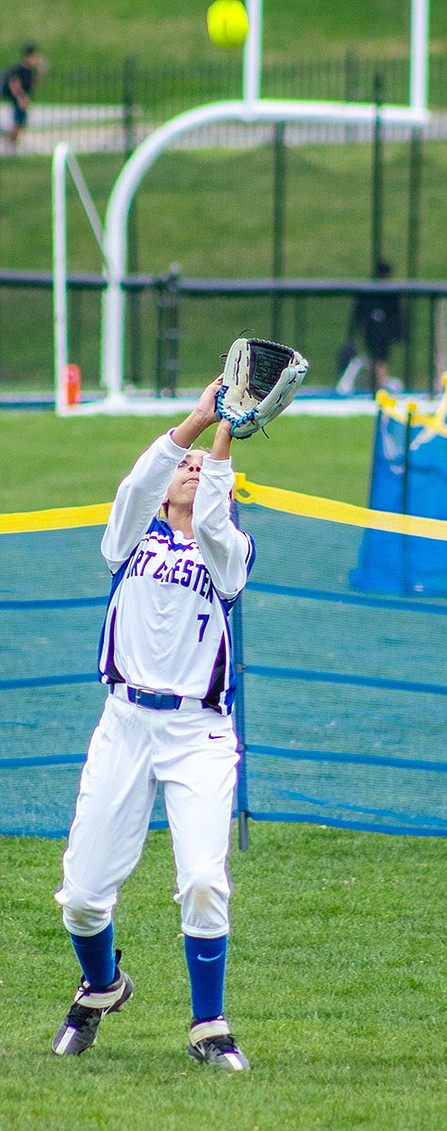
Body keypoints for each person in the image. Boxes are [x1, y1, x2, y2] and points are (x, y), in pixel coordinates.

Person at [52, 374, 254, 1071]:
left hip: (198, 734)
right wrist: (199, 420)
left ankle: (209, 1025)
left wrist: (229, 432)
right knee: (80, 896)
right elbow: (139, 482)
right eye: (185, 468)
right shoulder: (128, 541)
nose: (192, 472)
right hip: (126, 723)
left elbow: (220, 518)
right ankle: (102, 984)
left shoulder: (226, 554)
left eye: (204, 471)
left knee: (203, 879)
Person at [336, 259, 403, 395]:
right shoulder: (368, 292)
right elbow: (359, 313)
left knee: (379, 359)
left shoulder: (390, 294)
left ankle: (378, 386)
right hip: (372, 332)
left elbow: (396, 314)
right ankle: (375, 386)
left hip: (383, 332)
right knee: (376, 359)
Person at [2, 43, 42, 145]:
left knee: (20, 117)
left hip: (16, 96)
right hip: (10, 93)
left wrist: (41, 73)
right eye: (35, 57)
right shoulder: (19, 68)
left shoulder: (30, 71)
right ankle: (11, 138)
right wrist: (21, 97)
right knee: (19, 114)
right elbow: (14, 83)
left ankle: (12, 139)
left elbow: (32, 86)